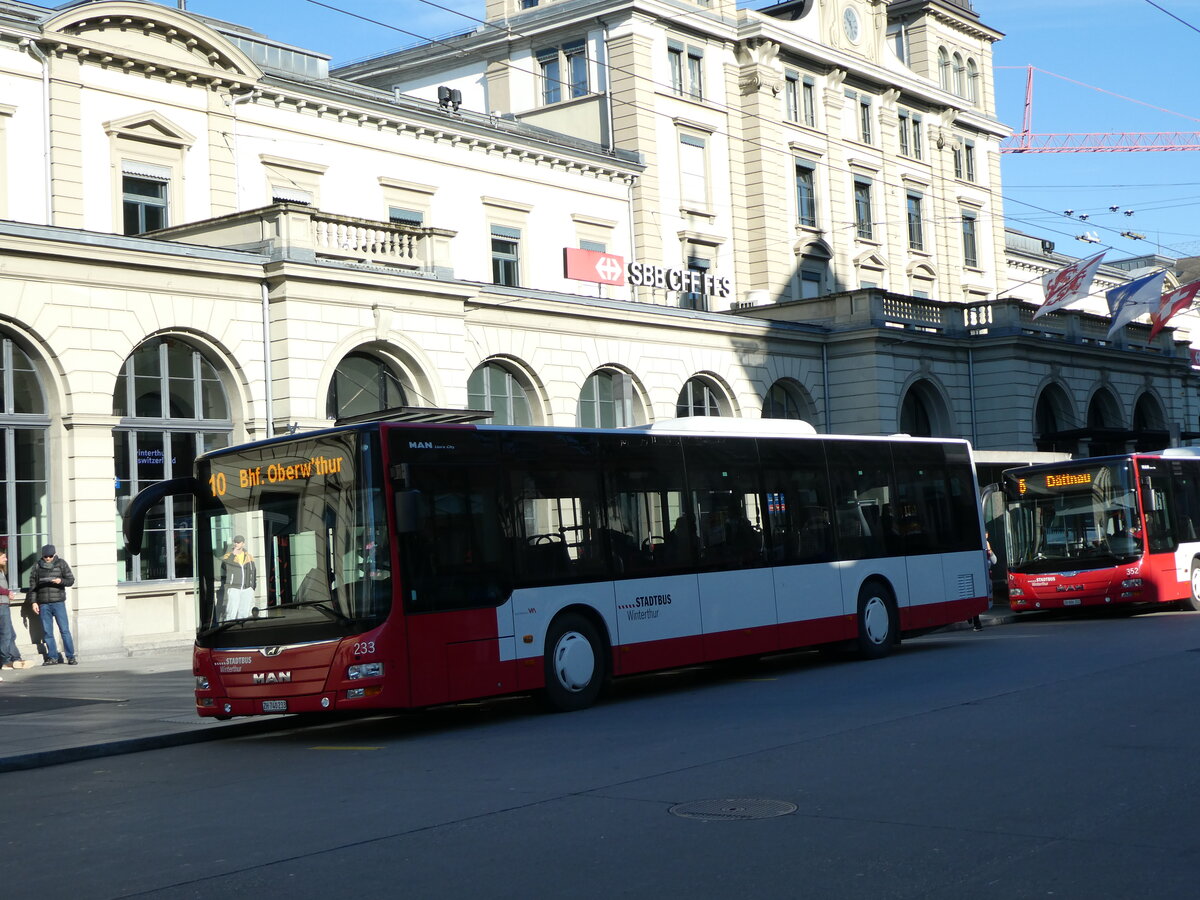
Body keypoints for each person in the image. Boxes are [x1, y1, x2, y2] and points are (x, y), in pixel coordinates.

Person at [29, 544, 76, 666]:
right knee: (47, 632)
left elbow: (71, 580)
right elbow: (32, 586)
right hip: (44, 603)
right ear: (42, 556)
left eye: (50, 556)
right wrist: (34, 602)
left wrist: (61, 581)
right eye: (46, 556)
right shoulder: (37, 566)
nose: (48, 558)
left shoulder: (61, 563)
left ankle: (71, 656)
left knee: (64, 630)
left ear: (54, 554)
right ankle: (52, 657)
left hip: (58, 602)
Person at [0, 549, 33, 675]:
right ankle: (5, 661)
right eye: (3, 557)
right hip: (1, 606)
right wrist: (7, 592)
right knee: (6, 635)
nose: (6, 559)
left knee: (10, 634)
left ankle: (16, 658)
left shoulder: (2, 571)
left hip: (4, 604)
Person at [221, 535, 257, 619]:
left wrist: (253, 586)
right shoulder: (228, 556)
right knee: (231, 611)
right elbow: (224, 566)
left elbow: (253, 571)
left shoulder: (249, 556)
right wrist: (233, 555)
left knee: (244, 612)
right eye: (235, 542)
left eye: (238, 542)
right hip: (234, 587)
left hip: (247, 588)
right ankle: (229, 628)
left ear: (243, 544)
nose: (236, 544)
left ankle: (242, 628)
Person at [969, 533, 998, 632]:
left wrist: (989, 550)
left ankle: (973, 618)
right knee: (974, 599)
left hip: (984, 576)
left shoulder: (987, 547)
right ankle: (976, 622)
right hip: (976, 576)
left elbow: (994, 561)